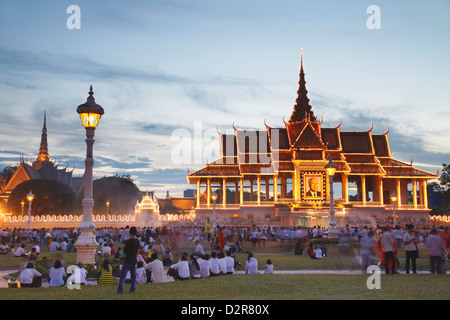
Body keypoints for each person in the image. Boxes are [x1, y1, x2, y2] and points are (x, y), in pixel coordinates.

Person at [117, 226, 140, 294]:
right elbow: (137, 251)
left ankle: (120, 290)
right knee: (133, 276)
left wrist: (122, 254)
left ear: (130, 233)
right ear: (136, 232)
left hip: (128, 260)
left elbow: (125, 251)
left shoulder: (128, 241)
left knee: (123, 276)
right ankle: (132, 289)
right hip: (134, 259)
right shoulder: (137, 241)